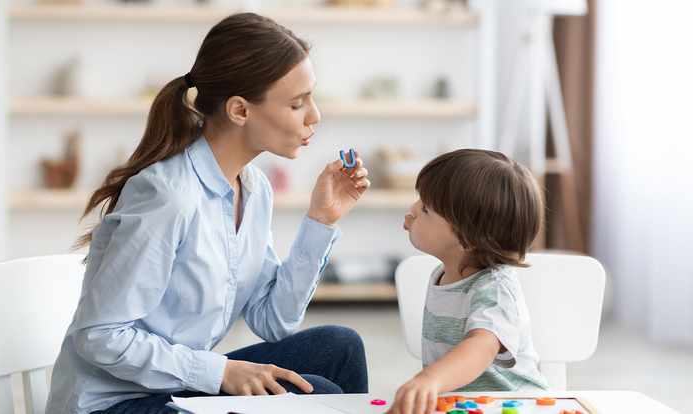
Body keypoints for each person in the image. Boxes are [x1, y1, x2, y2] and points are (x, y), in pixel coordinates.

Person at [46, 12, 370, 414]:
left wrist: (321, 220)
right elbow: (100, 336)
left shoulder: (253, 188)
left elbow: (273, 320)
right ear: (239, 110)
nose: (314, 116)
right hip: (113, 403)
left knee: (340, 347)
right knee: (316, 394)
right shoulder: (167, 195)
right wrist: (220, 372)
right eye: (296, 103)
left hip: (174, 387)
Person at [389, 149, 549, 414]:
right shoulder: (443, 273)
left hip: (515, 406)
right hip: (465, 406)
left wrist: (430, 379)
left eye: (425, 208)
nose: (413, 209)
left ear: (468, 237)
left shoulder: (496, 288)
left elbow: (482, 345)